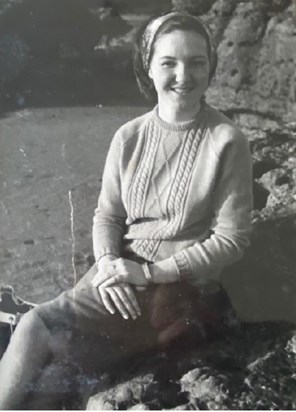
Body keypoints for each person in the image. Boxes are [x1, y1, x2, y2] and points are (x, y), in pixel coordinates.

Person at [0, 11, 253, 409]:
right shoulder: (129, 136)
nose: (183, 75)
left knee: (38, 336)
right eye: (169, 62)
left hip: (179, 289)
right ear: (148, 67)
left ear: (211, 66)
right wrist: (107, 264)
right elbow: (108, 215)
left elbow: (232, 240)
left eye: (197, 61)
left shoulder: (226, 140)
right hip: (120, 274)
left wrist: (150, 272)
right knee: (47, 371)